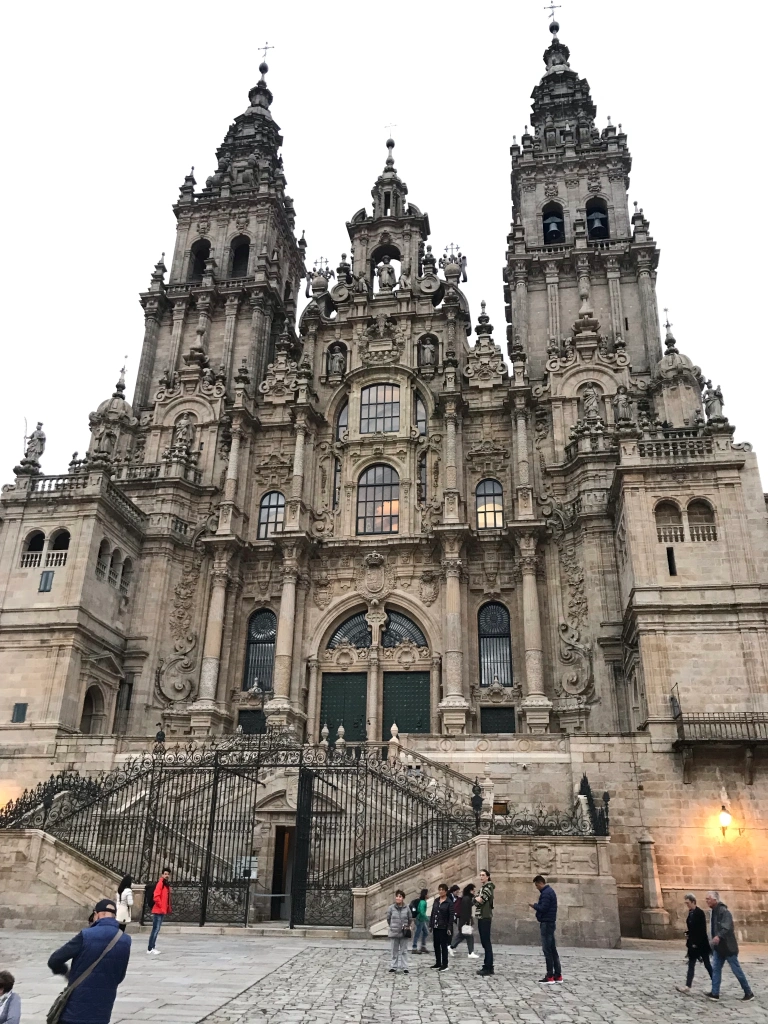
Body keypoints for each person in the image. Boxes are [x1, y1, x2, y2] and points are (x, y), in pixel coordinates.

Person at [48, 899, 131, 1024]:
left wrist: (67, 973)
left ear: (96, 914)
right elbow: (120, 976)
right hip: (103, 1011)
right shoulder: (125, 940)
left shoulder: (86, 935)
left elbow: (54, 960)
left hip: (74, 1010)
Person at [705, 891, 754, 1001]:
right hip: (719, 948)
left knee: (737, 970)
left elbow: (726, 927)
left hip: (728, 947)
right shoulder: (713, 912)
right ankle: (715, 993)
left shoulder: (724, 912)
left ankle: (748, 992)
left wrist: (718, 936)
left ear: (715, 899)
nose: (706, 901)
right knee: (716, 969)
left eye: (708, 899)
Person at [676, 893, 712, 994]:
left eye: (688, 903)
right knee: (691, 964)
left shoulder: (699, 913)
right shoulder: (691, 912)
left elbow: (701, 930)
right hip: (692, 944)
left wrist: (696, 942)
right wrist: (688, 933)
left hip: (701, 944)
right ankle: (688, 985)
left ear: (693, 902)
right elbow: (692, 928)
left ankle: (715, 983)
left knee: (707, 964)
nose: (687, 905)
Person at [530, 874, 562, 983]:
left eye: (536, 885)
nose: (537, 888)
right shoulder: (549, 892)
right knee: (552, 949)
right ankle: (558, 975)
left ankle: (550, 975)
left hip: (547, 923)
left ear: (540, 883)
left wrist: (534, 905)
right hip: (550, 923)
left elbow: (543, 908)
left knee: (547, 949)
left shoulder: (546, 894)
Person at [449, 884, 479, 959]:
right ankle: (470, 952)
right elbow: (466, 911)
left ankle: (451, 947)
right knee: (469, 936)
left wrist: (475, 901)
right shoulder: (466, 899)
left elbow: (469, 905)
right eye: (473, 890)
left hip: (464, 921)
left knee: (461, 935)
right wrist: (467, 922)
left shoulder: (466, 898)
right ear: (470, 890)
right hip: (465, 921)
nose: (474, 892)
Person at [474, 869, 495, 976]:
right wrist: (477, 899)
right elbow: (475, 901)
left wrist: (478, 899)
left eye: (483, 875)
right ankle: (488, 965)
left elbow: (481, 900)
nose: (481, 877)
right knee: (484, 942)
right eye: (480, 875)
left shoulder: (488, 887)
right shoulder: (483, 888)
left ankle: (488, 967)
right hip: (481, 916)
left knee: (486, 942)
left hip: (485, 916)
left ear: (487, 877)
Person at [386, 890, 412, 974]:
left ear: (403, 898)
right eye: (397, 896)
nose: (398, 898)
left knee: (404, 950)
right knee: (394, 950)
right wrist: (393, 926)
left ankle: (405, 967)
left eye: (400, 896)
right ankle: (394, 966)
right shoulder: (391, 908)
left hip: (404, 932)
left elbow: (410, 918)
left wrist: (406, 926)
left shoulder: (407, 908)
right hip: (394, 931)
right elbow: (388, 919)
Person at [147, 868, 171, 955]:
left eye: (168, 874)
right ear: (162, 875)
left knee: (156, 929)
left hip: (161, 910)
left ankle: (152, 947)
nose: (166, 875)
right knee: (155, 929)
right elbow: (156, 896)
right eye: (165, 874)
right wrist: (161, 906)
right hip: (158, 910)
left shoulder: (166, 885)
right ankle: (150, 948)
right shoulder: (160, 883)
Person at [429, 884, 452, 972]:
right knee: (436, 945)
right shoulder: (436, 901)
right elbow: (433, 913)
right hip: (436, 926)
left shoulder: (449, 902)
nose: (441, 891)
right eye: (439, 889)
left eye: (442, 889)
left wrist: (449, 927)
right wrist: (431, 924)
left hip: (444, 927)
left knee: (443, 945)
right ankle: (438, 962)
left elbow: (451, 915)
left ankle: (445, 964)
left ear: (446, 891)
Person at [409, 888, 429, 954]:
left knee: (426, 932)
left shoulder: (422, 901)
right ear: (425, 895)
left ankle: (423, 946)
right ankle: (414, 948)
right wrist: (428, 919)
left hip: (421, 919)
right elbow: (421, 912)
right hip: (420, 919)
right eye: (428, 893)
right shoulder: (423, 902)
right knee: (417, 933)